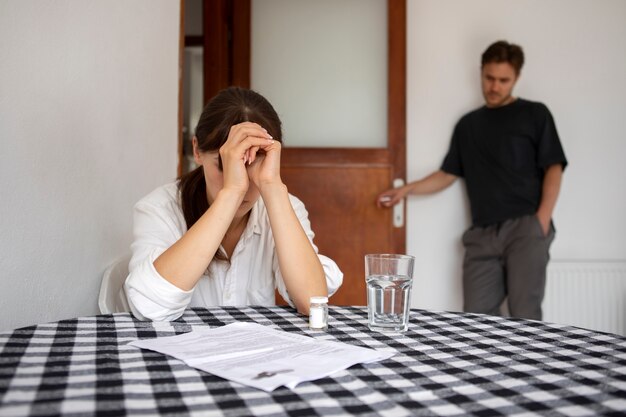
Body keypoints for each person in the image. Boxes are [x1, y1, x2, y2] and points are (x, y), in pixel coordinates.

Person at [377, 41, 567, 320]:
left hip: (526, 229)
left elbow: (554, 167)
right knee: (477, 319)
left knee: (525, 316)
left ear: (516, 78)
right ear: (481, 72)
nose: (495, 86)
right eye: (489, 78)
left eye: (504, 80)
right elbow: (447, 174)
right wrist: (405, 190)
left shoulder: (535, 114)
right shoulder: (468, 125)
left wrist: (541, 221)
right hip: (482, 235)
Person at [124, 86, 343, 321]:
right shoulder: (159, 208)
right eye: (225, 165)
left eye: (254, 164)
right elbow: (148, 306)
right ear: (197, 150)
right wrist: (231, 193)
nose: (243, 182)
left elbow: (313, 303)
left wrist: (271, 186)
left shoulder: (283, 206)